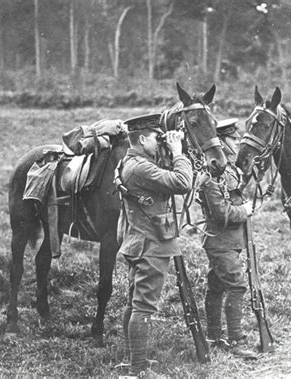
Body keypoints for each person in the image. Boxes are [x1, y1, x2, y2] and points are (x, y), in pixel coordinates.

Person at [117, 113, 193, 377]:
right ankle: (137, 368)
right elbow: (182, 182)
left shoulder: (129, 162)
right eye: (154, 138)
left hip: (138, 241)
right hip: (151, 244)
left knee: (134, 303)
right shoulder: (141, 168)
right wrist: (178, 151)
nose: (158, 142)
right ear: (140, 138)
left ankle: (132, 359)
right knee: (144, 306)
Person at [198, 118, 257, 360]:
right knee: (237, 286)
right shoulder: (212, 177)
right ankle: (237, 340)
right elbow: (222, 214)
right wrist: (245, 211)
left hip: (228, 241)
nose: (237, 143)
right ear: (222, 142)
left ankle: (213, 335)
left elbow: (237, 187)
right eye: (234, 139)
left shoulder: (228, 170)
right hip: (220, 241)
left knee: (216, 286)